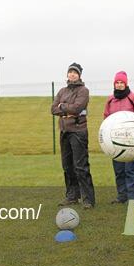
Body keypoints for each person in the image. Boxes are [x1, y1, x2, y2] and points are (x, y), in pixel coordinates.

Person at [51, 63, 95, 209]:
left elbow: (77, 108)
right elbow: (52, 109)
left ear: (79, 75)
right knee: (67, 166)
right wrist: (66, 110)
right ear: (67, 74)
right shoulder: (62, 91)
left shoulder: (83, 91)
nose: (72, 74)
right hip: (64, 132)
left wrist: (62, 107)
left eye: (75, 72)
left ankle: (88, 199)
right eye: (70, 72)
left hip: (78, 132)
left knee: (80, 166)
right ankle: (72, 196)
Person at [104, 71, 134, 208]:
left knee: (131, 170)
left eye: (121, 82)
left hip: (131, 143)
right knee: (119, 170)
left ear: (126, 83)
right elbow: (106, 118)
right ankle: (121, 196)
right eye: (117, 82)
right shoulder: (110, 99)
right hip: (115, 143)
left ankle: (132, 198)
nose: (119, 85)